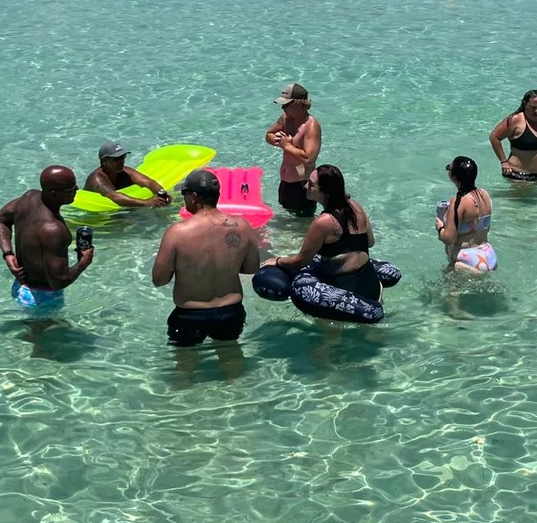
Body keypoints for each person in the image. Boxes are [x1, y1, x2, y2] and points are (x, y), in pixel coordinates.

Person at [152, 168, 259, 347]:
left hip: (189, 315)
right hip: (230, 312)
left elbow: (159, 280)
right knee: (231, 362)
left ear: (194, 196)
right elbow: (251, 268)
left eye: (185, 194)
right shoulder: (242, 225)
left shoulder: (177, 233)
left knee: (184, 370)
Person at [260, 164, 381, 313]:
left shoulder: (323, 222)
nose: (305, 186)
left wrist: (277, 261)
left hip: (346, 291)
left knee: (329, 333)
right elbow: (370, 242)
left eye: (311, 184)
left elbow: (301, 260)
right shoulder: (355, 206)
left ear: (326, 193)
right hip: (371, 284)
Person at [0, 166, 94, 313]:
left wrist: (8, 254)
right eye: (70, 189)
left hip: (21, 286)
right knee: (41, 334)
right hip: (42, 298)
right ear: (53, 193)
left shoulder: (28, 198)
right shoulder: (53, 230)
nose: (77, 189)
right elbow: (59, 281)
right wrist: (83, 263)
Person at [267, 83, 322, 215]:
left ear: (298, 104)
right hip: (285, 183)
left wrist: (287, 146)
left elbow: (309, 158)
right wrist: (277, 139)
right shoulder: (286, 119)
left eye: (286, 105)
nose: (283, 108)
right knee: (286, 224)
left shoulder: (311, 125)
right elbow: (269, 134)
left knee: (300, 227)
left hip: (302, 187)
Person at [436, 156, 496, 273]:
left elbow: (449, 239)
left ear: (454, 177)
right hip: (488, 255)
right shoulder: (484, 195)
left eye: (449, 168)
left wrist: (440, 228)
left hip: (468, 260)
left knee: (448, 290)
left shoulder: (459, 201)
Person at [489, 89, 537, 181]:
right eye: (533, 107)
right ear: (525, 104)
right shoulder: (516, 120)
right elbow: (494, 137)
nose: (536, 111)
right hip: (519, 176)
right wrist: (504, 162)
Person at [84, 142, 171, 208]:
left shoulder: (125, 171)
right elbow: (114, 196)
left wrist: (163, 194)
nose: (121, 161)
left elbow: (148, 182)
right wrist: (146, 202)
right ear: (104, 162)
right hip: (95, 211)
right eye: (116, 159)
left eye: (123, 157)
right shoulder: (97, 179)